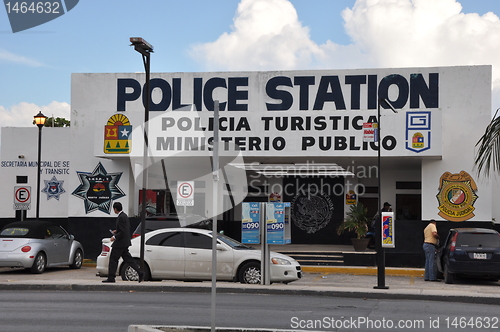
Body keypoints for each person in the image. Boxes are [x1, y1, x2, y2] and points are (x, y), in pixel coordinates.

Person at [102, 202, 145, 283]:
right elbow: (125, 228)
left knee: (113, 259)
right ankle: (140, 272)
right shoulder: (124, 216)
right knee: (129, 260)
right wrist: (117, 231)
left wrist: (114, 237)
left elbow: (123, 231)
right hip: (125, 242)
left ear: (115, 209)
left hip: (120, 243)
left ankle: (111, 277)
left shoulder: (121, 217)